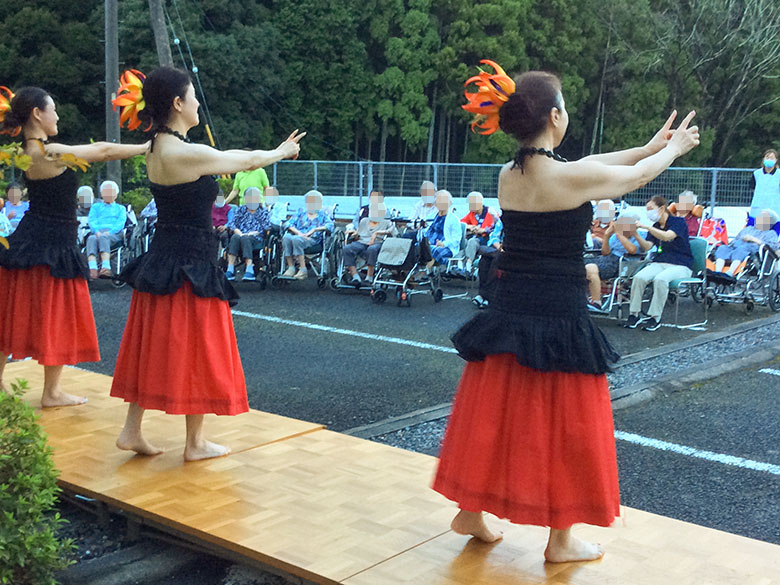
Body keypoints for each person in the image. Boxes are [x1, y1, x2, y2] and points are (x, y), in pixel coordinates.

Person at [436, 61, 699, 562]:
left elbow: (596, 161)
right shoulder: (570, 177)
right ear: (555, 117)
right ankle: (560, 540)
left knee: (496, 412)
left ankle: (471, 509)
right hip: (557, 312)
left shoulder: (509, 174)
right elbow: (632, 177)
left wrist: (650, 145)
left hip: (510, 306)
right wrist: (671, 151)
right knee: (566, 425)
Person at [109, 66, 302, 460]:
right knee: (195, 348)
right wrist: (281, 151)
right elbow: (245, 160)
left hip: (164, 257)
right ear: (178, 104)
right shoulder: (184, 152)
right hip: (190, 264)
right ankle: (194, 444)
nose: (198, 102)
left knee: (152, 345)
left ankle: (132, 430)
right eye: (193, 96)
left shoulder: (154, 148)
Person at [0, 85, 148, 407]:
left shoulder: (25, 152)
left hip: (33, 238)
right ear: (38, 114)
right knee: (54, 315)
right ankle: (51, 392)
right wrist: (147, 146)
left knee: (13, 312)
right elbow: (105, 151)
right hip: (52, 242)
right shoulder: (49, 152)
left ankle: (15, 387)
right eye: (52, 108)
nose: (58, 114)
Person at [625, 196, 693, 331]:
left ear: (662, 209)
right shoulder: (655, 226)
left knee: (660, 279)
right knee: (639, 277)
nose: (648, 212)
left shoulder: (678, 222)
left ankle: (655, 317)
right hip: (660, 262)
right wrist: (636, 234)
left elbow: (667, 236)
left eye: (650, 209)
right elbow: (648, 246)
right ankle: (634, 314)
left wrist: (647, 227)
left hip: (681, 265)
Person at [585, 213, 643, 311]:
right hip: (607, 259)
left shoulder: (640, 236)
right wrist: (607, 235)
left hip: (622, 263)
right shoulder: (615, 236)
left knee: (590, 268)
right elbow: (605, 252)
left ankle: (596, 302)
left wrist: (619, 234)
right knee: (576, 264)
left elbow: (632, 250)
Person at [281, 190, 333, 279]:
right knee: (286, 237)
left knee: (296, 239)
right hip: (298, 235)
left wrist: (314, 230)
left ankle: (303, 269)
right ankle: (291, 268)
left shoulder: (322, 215)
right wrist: (299, 233)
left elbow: (330, 225)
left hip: (313, 240)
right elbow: (288, 224)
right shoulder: (301, 212)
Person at [342, 201, 396, 285]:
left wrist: (377, 233)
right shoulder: (364, 221)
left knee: (372, 249)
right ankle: (355, 276)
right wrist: (354, 233)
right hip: (362, 241)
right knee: (347, 249)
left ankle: (369, 277)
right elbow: (359, 234)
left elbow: (393, 232)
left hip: (377, 242)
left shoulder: (386, 222)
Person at [713, 209, 779, 275]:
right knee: (723, 248)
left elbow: (772, 247)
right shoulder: (748, 228)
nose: (757, 218)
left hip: (750, 253)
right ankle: (717, 272)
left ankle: (730, 273)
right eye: (758, 216)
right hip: (735, 248)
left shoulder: (770, 233)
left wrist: (753, 239)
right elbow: (735, 240)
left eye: (761, 217)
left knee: (742, 249)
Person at [225, 186, 270, 281]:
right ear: (246, 199)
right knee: (235, 237)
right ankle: (230, 268)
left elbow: (266, 227)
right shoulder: (240, 210)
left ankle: (249, 269)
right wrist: (239, 232)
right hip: (240, 235)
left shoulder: (263, 211)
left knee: (245, 238)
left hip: (255, 237)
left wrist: (253, 233)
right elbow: (232, 223)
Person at [85, 180, 127, 279]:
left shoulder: (121, 208)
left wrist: (110, 232)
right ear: (101, 194)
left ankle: (105, 267)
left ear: (116, 194)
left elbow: (120, 223)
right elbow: (92, 220)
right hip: (98, 232)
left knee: (104, 237)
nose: (108, 194)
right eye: (106, 192)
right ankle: (93, 269)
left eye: (111, 192)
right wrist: (96, 231)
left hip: (114, 233)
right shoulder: (95, 207)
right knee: (91, 239)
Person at [470, 211, 503, 309]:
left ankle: (488, 296)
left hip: (512, 250)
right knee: (485, 260)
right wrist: (499, 247)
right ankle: (483, 294)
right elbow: (494, 237)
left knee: (496, 260)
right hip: (499, 248)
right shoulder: (502, 220)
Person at [424, 190, 461, 267]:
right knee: (415, 247)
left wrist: (443, 243)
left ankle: (427, 274)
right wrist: (426, 241)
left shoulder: (453, 219)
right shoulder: (431, 216)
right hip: (429, 244)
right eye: (439, 200)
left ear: (449, 203)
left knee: (432, 251)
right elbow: (425, 231)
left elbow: (456, 240)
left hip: (446, 247)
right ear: (435, 203)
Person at [748, 149, 780, 220]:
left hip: (775, 208)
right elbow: (752, 188)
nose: (769, 160)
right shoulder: (756, 173)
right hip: (758, 209)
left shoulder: (779, 174)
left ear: (776, 160)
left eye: (772, 158)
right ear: (763, 159)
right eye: (767, 157)